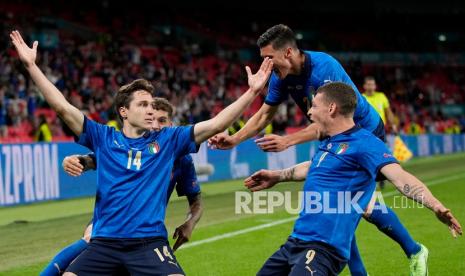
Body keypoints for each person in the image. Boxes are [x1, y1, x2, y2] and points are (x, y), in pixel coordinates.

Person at [10, 30, 273, 275]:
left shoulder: (169, 139)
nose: (150, 110)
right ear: (124, 111)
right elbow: (63, 108)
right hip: (105, 244)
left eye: (151, 104)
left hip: (148, 245)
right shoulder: (103, 137)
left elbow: (216, 124)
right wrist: (31, 66)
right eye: (143, 104)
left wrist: (252, 92)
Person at [208, 24, 427, 275]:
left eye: (269, 58)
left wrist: (289, 141)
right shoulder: (282, 77)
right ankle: (406, 253)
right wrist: (235, 139)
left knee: (347, 204)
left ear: (288, 52)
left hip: (362, 132)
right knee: (334, 206)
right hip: (333, 134)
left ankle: (413, 250)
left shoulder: (324, 68)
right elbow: (264, 115)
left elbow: (332, 121)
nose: (265, 66)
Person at [244, 82, 462, 275]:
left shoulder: (365, 143)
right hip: (295, 243)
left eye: (314, 106)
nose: (309, 112)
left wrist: (434, 205)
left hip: (323, 250)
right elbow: (314, 168)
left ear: (331, 108)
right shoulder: (329, 141)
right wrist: (277, 176)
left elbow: (400, 177)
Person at [40, 98, 204, 275]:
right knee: (89, 237)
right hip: (111, 221)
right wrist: (76, 160)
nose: (156, 125)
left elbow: (196, 200)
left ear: (172, 124)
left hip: (145, 230)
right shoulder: (134, 148)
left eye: (162, 121)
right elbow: (92, 160)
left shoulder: (182, 159)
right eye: (153, 119)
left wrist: (190, 223)